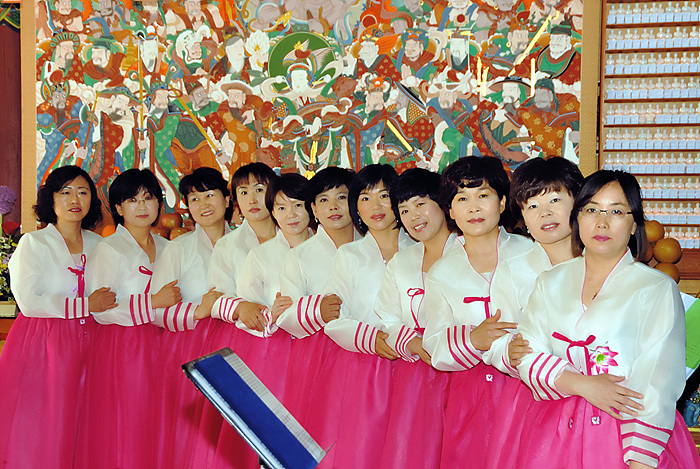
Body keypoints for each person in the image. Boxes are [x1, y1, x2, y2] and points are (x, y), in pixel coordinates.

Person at [515, 171, 700, 469]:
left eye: (616, 212)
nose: (602, 222)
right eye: (591, 210)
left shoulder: (655, 288)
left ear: (633, 224)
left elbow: (658, 381)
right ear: (577, 218)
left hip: (627, 430)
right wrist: (582, 384)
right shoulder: (550, 281)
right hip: (555, 432)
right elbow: (526, 353)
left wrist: (640, 461)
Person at [422, 156, 533, 468]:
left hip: (527, 385)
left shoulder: (532, 253)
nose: (473, 208)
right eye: (462, 199)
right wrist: (472, 340)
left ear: (502, 203)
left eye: (483, 195)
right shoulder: (441, 272)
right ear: (450, 211)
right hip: (469, 394)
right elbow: (434, 344)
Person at [0, 166, 113, 469]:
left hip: (95, 341)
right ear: (51, 199)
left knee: (87, 420)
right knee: (48, 423)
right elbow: (29, 301)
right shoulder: (34, 243)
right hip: (45, 343)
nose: (75, 199)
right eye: (65, 192)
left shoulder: (100, 245)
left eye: (83, 192)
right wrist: (85, 305)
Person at [311, 164, 415, 468]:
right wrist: (371, 339)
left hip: (415, 364)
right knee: (363, 450)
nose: (375, 206)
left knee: (407, 449)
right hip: (365, 367)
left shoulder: (421, 249)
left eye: (384, 195)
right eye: (365, 198)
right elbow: (334, 318)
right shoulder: (349, 255)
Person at [77, 168, 181, 469]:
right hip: (123, 345)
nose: (142, 206)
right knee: (129, 420)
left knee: (161, 420)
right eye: (132, 200)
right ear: (119, 208)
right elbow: (103, 309)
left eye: (148, 198)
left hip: (166, 343)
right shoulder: (108, 249)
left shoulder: (169, 248)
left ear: (159, 204)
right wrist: (153, 302)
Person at [149, 167, 231, 469]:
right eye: (194, 199)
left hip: (238, 346)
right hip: (189, 348)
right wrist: (198, 311)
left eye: (210, 195)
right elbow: (157, 312)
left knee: (233, 429)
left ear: (226, 199)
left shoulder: (247, 244)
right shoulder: (177, 249)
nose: (203, 204)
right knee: (192, 435)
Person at [374, 168, 456, 469]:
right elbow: (387, 317)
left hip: (464, 365)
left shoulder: (467, 252)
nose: (413, 216)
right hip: (416, 371)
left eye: (420, 203)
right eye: (404, 210)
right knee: (414, 451)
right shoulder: (402, 261)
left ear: (442, 203)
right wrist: (414, 343)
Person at [276, 166, 356, 432]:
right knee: (323, 426)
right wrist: (317, 310)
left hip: (368, 351)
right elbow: (285, 315)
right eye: (323, 200)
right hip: (319, 354)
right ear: (314, 209)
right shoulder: (299, 256)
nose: (333, 206)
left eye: (342, 197)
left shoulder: (371, 247)